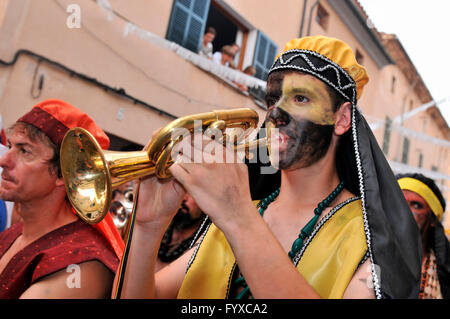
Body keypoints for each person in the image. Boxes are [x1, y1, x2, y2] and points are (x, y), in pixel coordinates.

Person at [116, 36, 421, 299]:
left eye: (300, 98)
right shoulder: (244, 211)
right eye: (273, 99)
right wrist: (148, 226)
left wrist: (238, 217)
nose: (276, 113)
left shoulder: (373, 239)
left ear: (341, 119)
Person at [0, 99, 124, 298]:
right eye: (10, 146)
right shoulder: (13, 233)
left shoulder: (84, 261)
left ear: (64, 174)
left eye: (25, 151)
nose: (4, 160)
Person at [397, 173, 450, 299]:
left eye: (416, 205)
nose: (404, 210)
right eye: (398, 202)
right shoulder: (365, 260)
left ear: (432, 218)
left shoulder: (443, 275)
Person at [156, 193, 207, 271]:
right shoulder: (160, 226)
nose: (183, 198)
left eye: (191, 193)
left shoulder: (204, 244)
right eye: (182, 190)